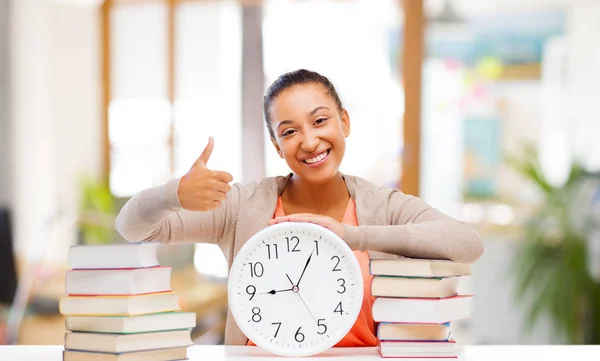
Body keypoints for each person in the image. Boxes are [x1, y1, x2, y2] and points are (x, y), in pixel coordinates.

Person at [115, 69, 484, 347]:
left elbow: (468, 244)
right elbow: (133, 227)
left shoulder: (382, 205)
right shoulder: (243, 207)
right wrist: (172, 194)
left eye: (320, 120)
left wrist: (351, 236)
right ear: (277, 146)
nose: (309, 141)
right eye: (289, 131)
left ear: (344, 122)